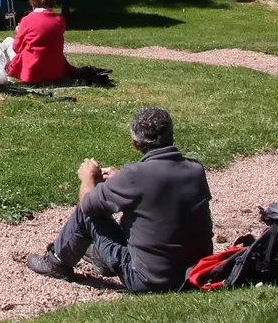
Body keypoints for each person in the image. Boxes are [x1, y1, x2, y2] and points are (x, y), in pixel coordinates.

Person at [25, 106, 214, 293]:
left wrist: (87, 178)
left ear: (135, 143)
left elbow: (87, 204)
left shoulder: (135, 176)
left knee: (88, 214)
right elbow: (159, 193)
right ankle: (102, 259)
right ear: (172, 136)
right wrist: (121, 178)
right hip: (194, 272)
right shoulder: (195, 170)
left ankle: (56, 262)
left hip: (149, 280)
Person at [6, 0, 72, 84]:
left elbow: (16, 47)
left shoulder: (27, 19)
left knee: (7, 42)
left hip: (32, 73)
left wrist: (19, 31)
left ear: (33, 3)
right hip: (55, 72)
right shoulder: (60, 20)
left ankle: (6, 72)